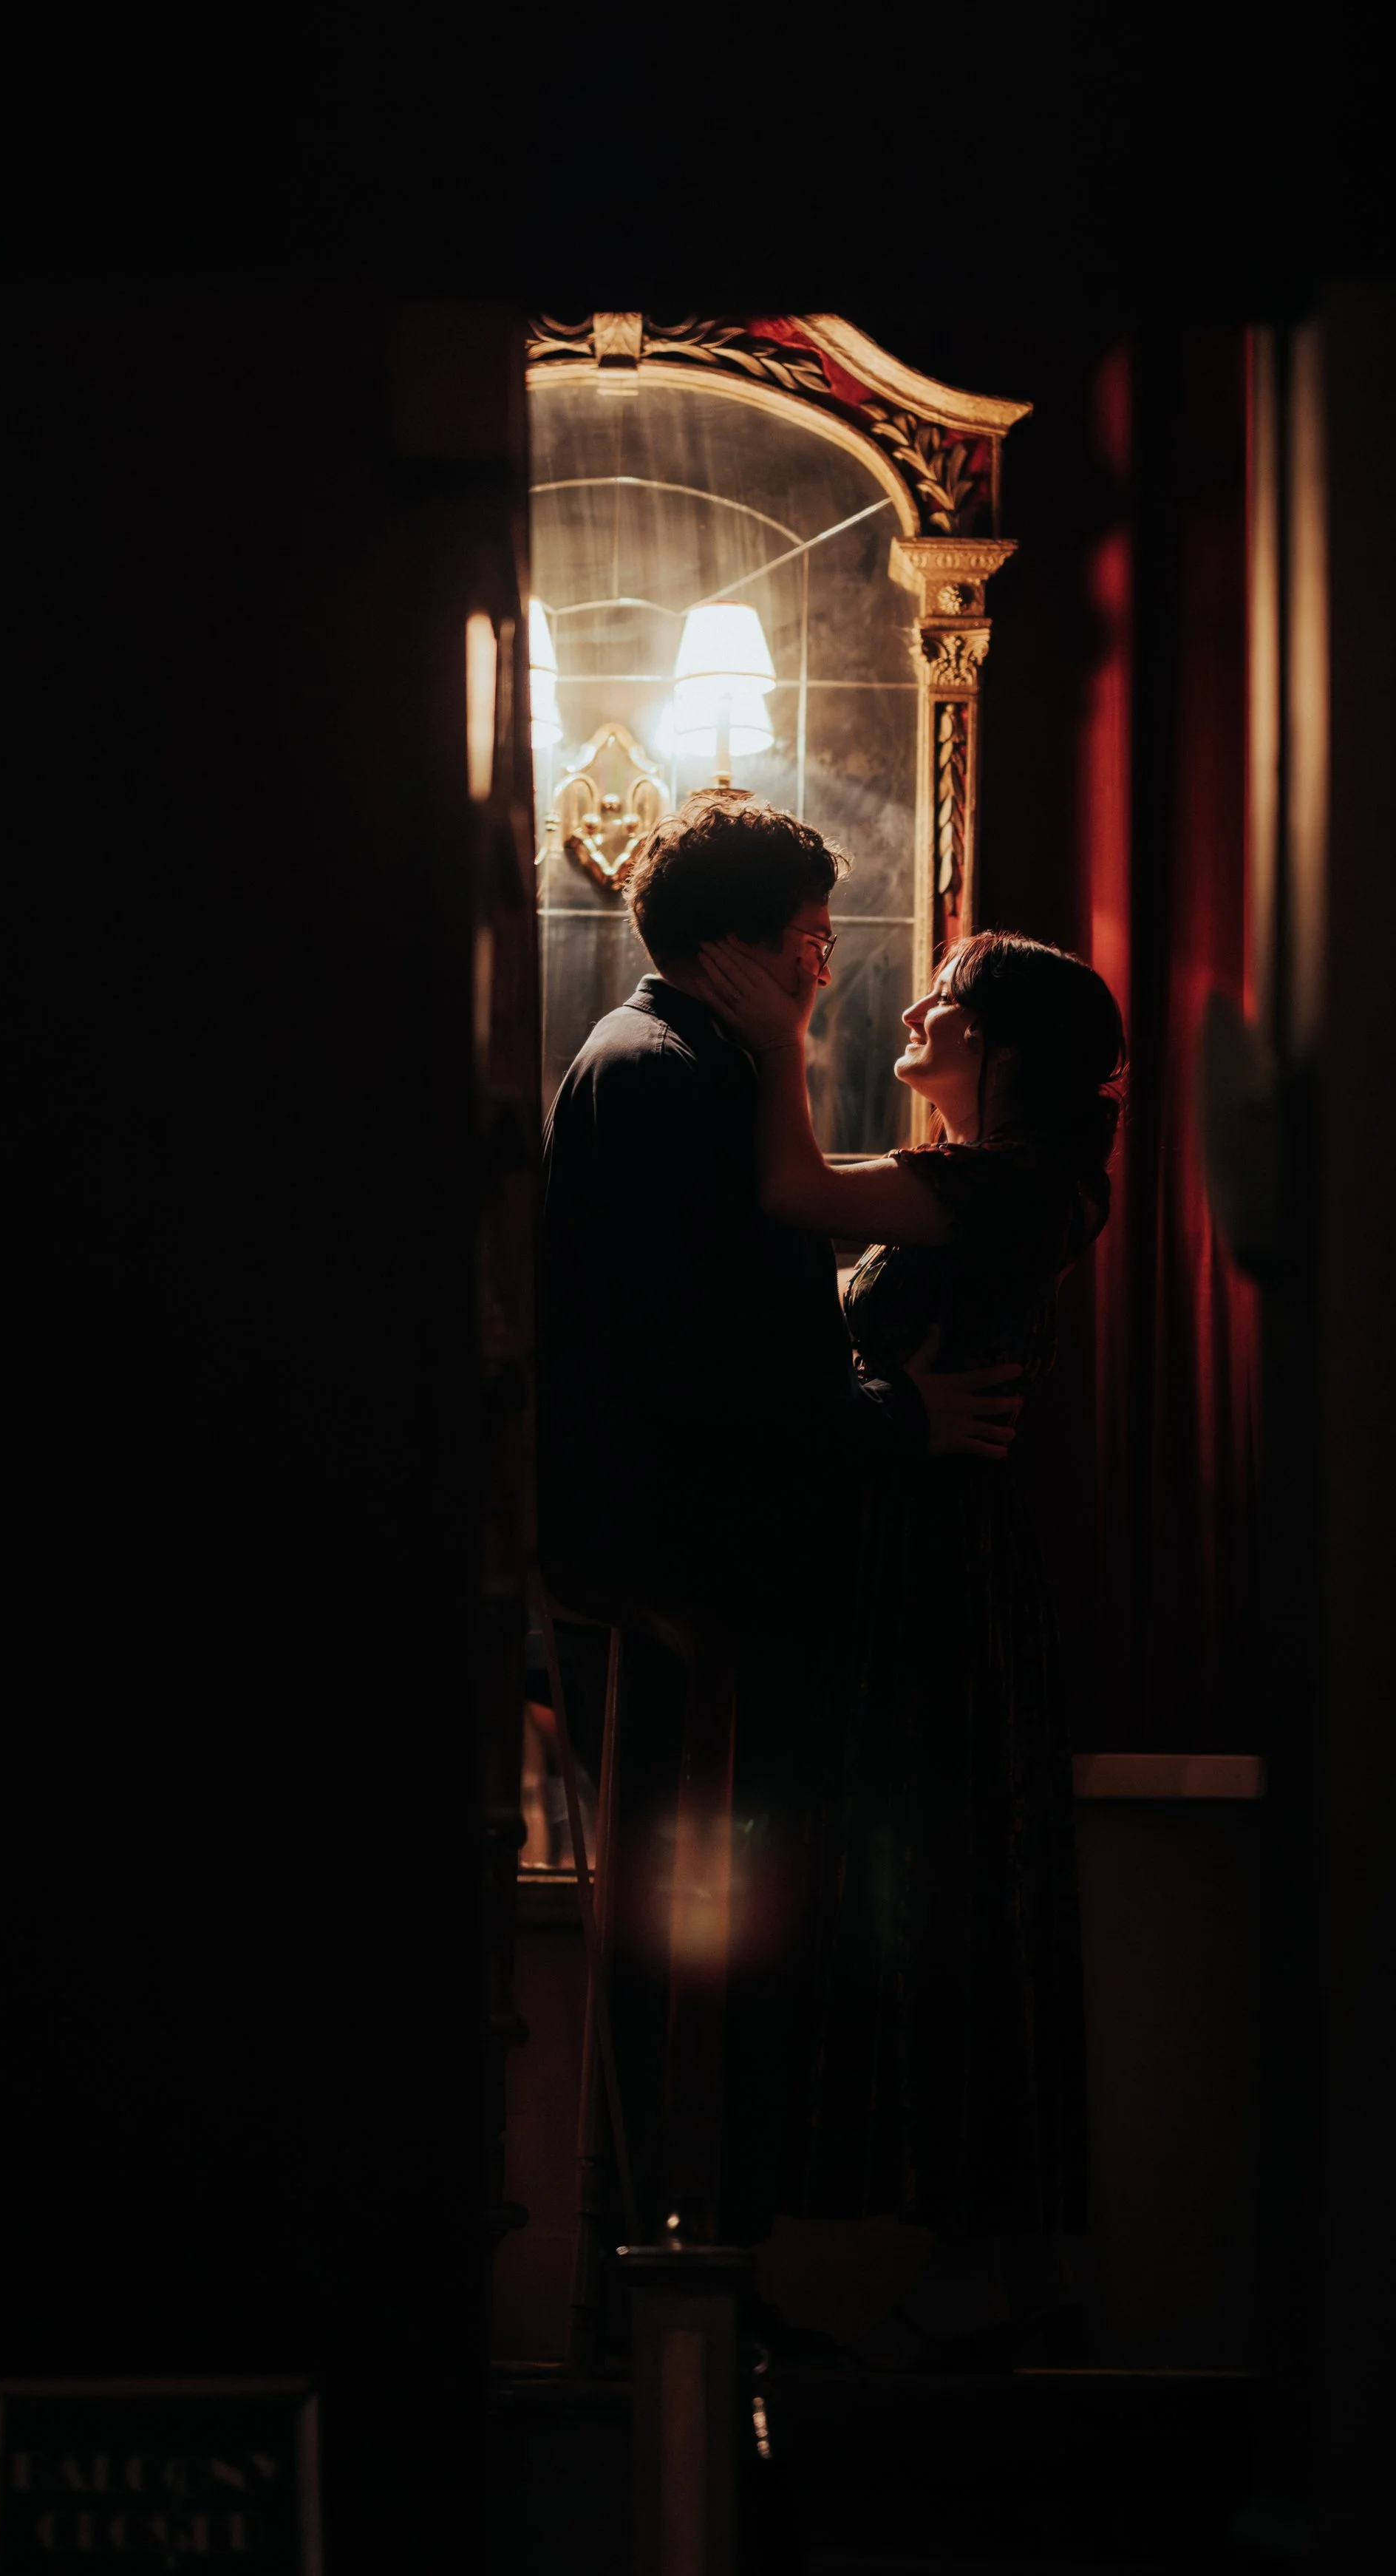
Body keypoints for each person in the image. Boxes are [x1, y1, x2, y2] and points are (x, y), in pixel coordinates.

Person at [537, 790, 1025, 2254]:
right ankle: (672, 2310)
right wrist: (895, 1418)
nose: (827, 968)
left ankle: (671, 2296)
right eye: (810, 940)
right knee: (693, 1984)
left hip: (673, 1579)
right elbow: (699, 1357)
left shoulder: (667, 1062)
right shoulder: (672, 1077)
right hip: (682, 1592)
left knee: (695, 1978)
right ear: (743, 948)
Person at [687, 922, 1126, 2362]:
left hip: (933, 1582)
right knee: (940, 1894)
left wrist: (771, 1041)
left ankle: (971, 2281)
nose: (916, 1008)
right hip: (917, 1566)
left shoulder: (1008, 1186)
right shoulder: (994, 1186)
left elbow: (789, 1187)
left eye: (944, 999)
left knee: (930, 1887)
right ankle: (990, 2279)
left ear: (993, 1047)